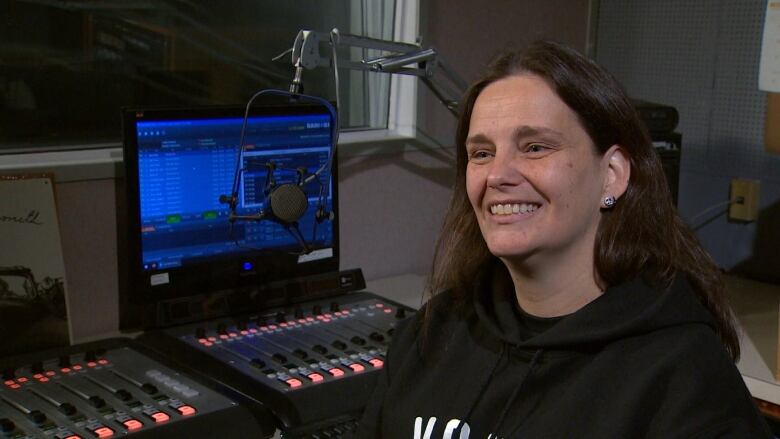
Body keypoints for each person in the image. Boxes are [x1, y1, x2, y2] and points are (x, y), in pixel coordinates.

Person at [356, 40, 772, 438]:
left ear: (612, 174)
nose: (498, 175)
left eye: (534, 147)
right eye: (481, 153)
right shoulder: (432, 332)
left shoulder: (683, 376)